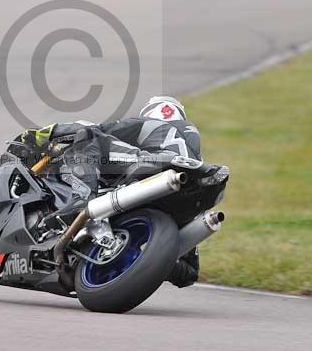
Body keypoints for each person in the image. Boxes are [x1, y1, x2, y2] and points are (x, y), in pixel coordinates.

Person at [19, 96, 202, 288]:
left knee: (88, 137)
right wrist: (153, 258)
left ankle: (82, 198)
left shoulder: (150, 123)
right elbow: (188, 275)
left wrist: (46, 133)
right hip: (188, 190)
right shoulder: (192, 143)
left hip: (156, 165)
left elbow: (96, 129)